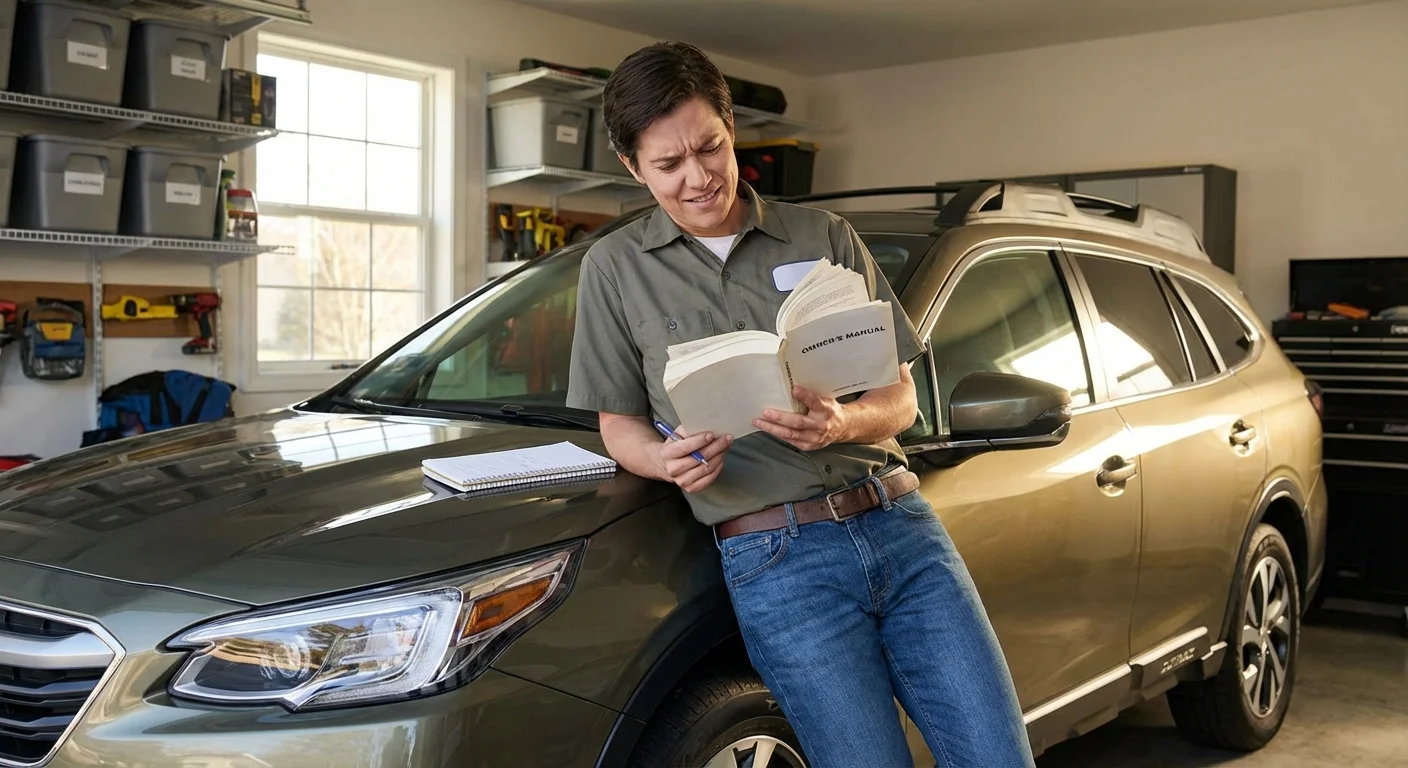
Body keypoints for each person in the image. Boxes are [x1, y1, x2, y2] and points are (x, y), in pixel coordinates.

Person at [566, 41, 1036, 768]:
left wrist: (844, 422)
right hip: (777, 562)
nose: (697, 177)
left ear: (731, 130)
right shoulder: (613, 269)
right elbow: (617, 424)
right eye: (668, 164)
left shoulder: (824, 238)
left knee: (998, 758)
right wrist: (662, 460)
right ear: (633, 166)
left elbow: (900, 397)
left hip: (903, 528)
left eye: (710, 148)